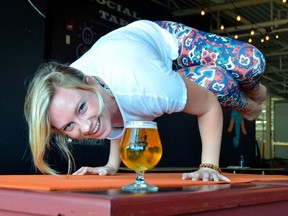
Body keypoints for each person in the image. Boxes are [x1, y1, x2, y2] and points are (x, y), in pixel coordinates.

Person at [24, 20, 266, 182]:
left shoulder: (142, 87)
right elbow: (113, 117)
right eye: (68, 126)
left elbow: (209, 105)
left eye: (82, 108)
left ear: (92, 82)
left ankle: (255, 97)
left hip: (167, 42)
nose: (85, 127)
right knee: (220, 82)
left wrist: (209, 166)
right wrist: (111, 165)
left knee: (252, 63)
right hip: (149, 73)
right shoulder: (73, 91)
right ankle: (248, 106)